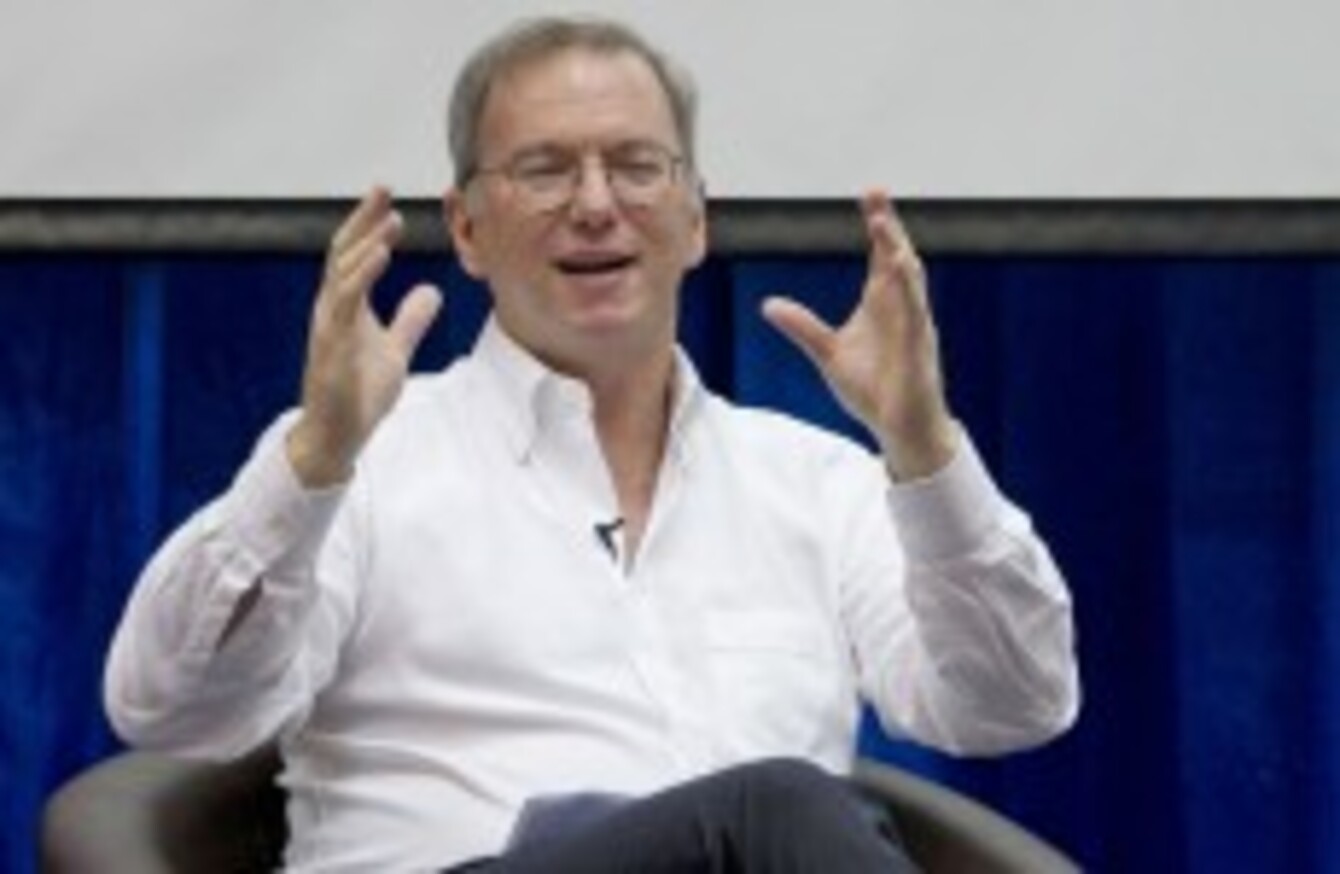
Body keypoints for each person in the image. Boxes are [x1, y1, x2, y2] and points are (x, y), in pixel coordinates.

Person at [104, 14, 1079, 873]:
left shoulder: (816, 480)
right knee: (777, 808)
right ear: (467, 229)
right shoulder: (358, 462)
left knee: (779, 817)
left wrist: (925, 451)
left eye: (636, 165)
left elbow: (1013, 705)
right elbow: (169, 709)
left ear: (694, 219)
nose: (596, 204)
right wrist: (315, 457)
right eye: (544, 170)